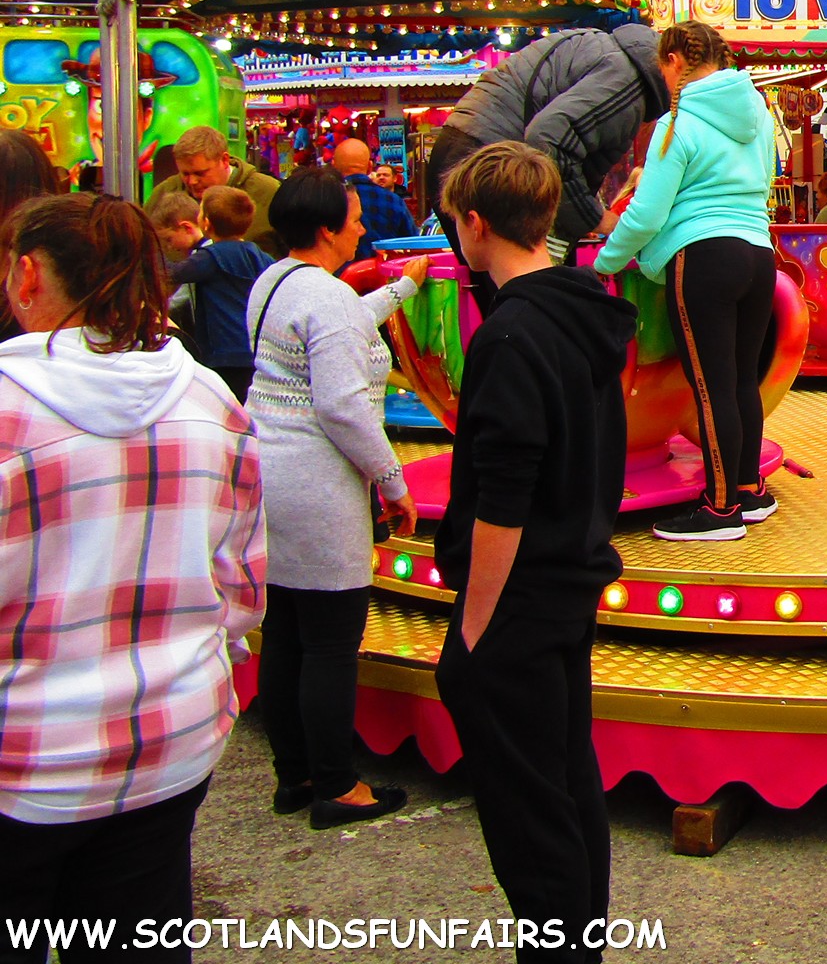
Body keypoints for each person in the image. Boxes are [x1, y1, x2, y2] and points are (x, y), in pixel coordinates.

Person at [0, 194, 263, 958]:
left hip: (25, 757)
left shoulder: (11, 410)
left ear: (26, 275)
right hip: (169, 739)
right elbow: (242, 585)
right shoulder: (208, 398)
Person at [433, 142, 635, 964]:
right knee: (566, 784)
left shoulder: (512, 333)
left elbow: (504, 495)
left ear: (476, 224)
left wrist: (474, 626)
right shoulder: (583, 312)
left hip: (519, 598)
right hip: (569, 580)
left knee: (529, 812)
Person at [246, 167, 429, 830]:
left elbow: (343, 325)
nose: (362, 227)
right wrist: (392, 480)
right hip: (317, 483)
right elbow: (343, 405)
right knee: (329, 640)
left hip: (270, 473)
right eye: (353, 219)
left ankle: (293, 775)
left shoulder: (276, 280)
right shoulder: (325, 297)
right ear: (327, 229)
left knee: (286, 631)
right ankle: (336, 785)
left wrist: (404, 288)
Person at [595, 22, 780, 542]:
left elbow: (646, 214)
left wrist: (604, 263)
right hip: (758, 251)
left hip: (704, 257)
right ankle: (748, 489)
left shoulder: (677, 123)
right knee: (741, 381)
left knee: (712, 386)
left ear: (675, 61)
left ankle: (720, 511)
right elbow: (764, 182)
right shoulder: (758, 113)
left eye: (662, 66)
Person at [425, 24, 668, 257]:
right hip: (490, 162)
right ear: (675, 62)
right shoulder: (628, 79)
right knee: (518, 278)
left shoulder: (606, 50)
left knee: (497, 280)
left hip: (468, 146)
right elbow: (549, 139)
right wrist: (595, 218)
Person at [168, 186, 270, 402]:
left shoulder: (210, 257)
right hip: (254, 347)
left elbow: (175, 274)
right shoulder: (258, 254)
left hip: (223, 349)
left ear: (206, 223)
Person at [173, 126, 283, 258]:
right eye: (185, 174)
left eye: (200, 173)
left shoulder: (268, 191)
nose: (192, 181)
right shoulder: (167, 193)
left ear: (224, 160)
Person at [330, 137, 415, 262]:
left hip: (335, 272)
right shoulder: (394, 201)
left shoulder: (326, 200)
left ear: (334, 166)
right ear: (370, 167)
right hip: (384, 271)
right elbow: (412, 245)